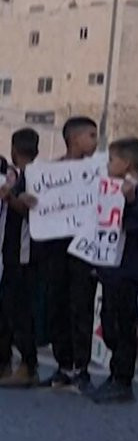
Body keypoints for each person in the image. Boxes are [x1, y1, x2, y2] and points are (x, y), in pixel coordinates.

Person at [36, 116, 100, 394]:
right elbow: (35, 202)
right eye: (91, 136)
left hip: (84, 250)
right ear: (74, 138)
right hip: (55, 249)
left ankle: (82, 368)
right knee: (57, 306)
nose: (95, 142)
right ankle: (64, 365)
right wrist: (29, 201)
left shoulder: (98, 172)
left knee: (81, 307)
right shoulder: (49, 173)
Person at [91, 137, 138, 404]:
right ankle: (115, 372)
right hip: (111, 268)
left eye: (112, 160)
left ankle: (122, 379)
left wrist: (129, 201)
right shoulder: (112, 189)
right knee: (109, 323)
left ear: (127, 163)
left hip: (127, 270)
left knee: (122, 323)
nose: (108, 165)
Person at [0, 128, 40, 387]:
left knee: (19, 311)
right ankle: (5, 363)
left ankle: (28, 364)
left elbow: (30, 211)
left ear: (14, 150)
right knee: (7, 311)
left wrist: (9, 197)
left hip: (23, 255)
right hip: (11, 254)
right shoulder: (22, 177)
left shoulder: (33, 179)